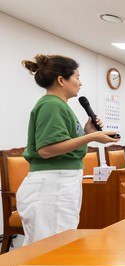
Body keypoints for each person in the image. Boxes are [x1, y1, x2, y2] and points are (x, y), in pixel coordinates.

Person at [17, 54, 119, 246]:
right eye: (77, 77)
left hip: (60, 182)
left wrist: (86, 132)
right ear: (61, 80)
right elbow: (46, 150)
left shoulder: (59, 105)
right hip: (52, 184)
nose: (80, 83)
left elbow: (63, 144)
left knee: (56, 245)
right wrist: (93, 136)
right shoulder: (51, 105)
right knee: (51, 247)